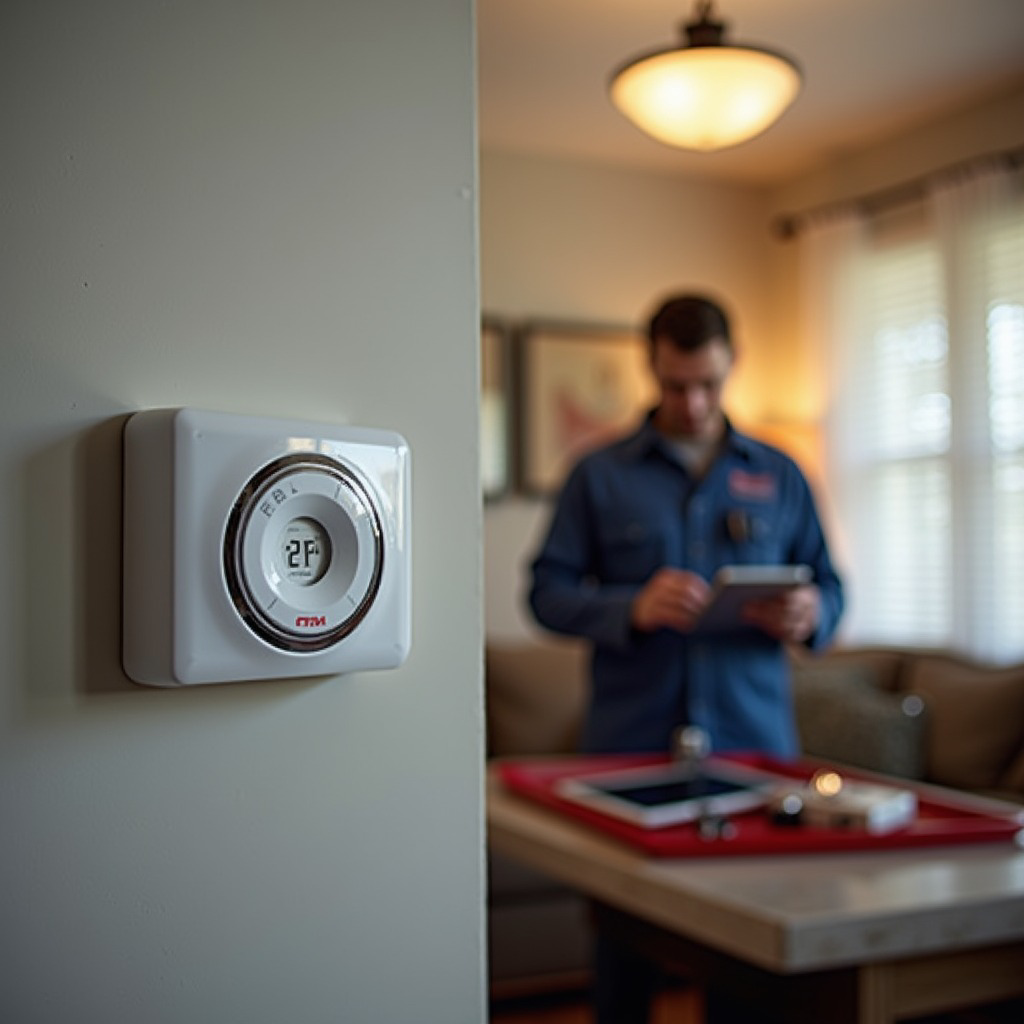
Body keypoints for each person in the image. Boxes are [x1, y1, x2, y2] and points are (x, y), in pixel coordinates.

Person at [527, 293, 845, 1023]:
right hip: (629, 752)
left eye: (708, 383)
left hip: (753, 751)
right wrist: (627, 609)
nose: (694, 403)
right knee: (623, 959)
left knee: (746, 967)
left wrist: (812, 613)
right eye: (676, 385)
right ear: (652, 369)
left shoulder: (782, 473)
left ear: (731, 365)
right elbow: (544, 593)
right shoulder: (597, 475)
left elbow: (831, 586)